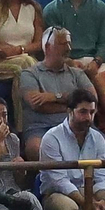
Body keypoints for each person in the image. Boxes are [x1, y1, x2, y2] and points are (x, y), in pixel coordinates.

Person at [38, 87, 105, 210]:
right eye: (83, 112)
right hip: (56, 194)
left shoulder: (98, 138)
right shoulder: (51, 138)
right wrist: (87, 203)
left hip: (91, 192)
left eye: (92, 112)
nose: (88, 117)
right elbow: (59, 181)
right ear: (69, 111)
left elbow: (102, 177)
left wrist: (102, 201)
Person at [17, 25, 96, 158]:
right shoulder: (29, 74)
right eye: (63, 44)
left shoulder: (77, 73)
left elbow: (92, 98)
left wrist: (54, 97)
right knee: (36, 148)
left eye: (69, 44)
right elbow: (38, 105)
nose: (69, 49)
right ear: (47, 47)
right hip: (41, 128)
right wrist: (75, 106)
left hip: (78, 125)